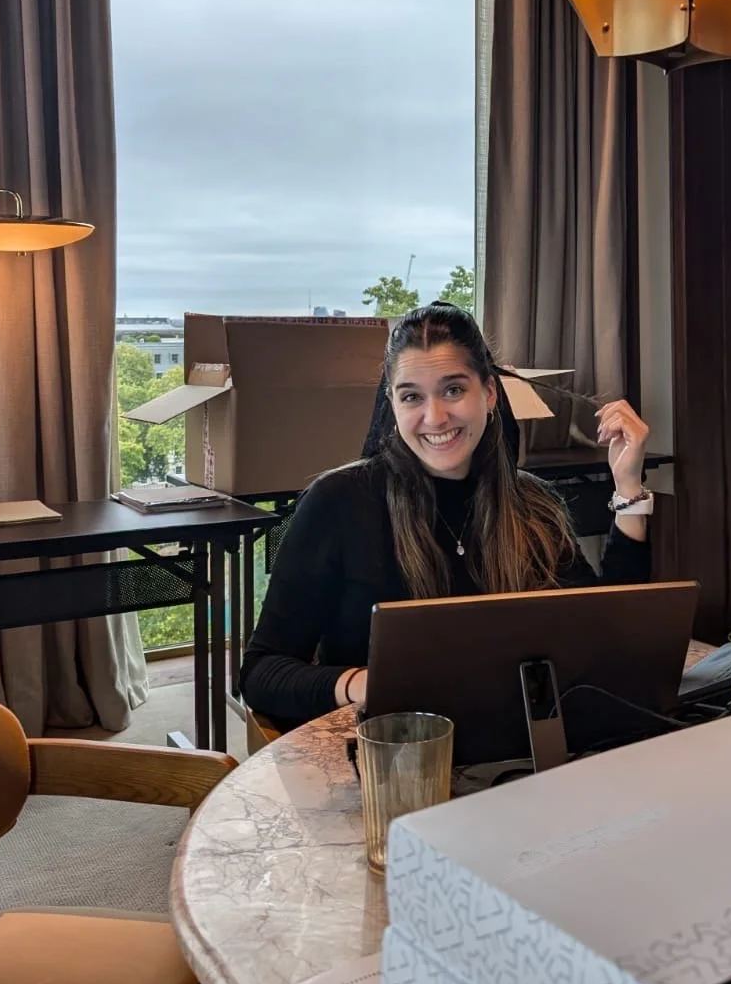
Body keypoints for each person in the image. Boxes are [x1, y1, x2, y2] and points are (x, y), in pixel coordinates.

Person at [240, 303, 654, 729]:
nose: (435, 417)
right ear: (393, 404)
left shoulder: (534, 502)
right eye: (412, 396)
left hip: (517, 754)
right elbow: (260, 671)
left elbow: (608, 641)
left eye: (453, 390)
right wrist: (362, 684)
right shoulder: (338, 502)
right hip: (395, 763)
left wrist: (628, 488)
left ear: (489, 393)